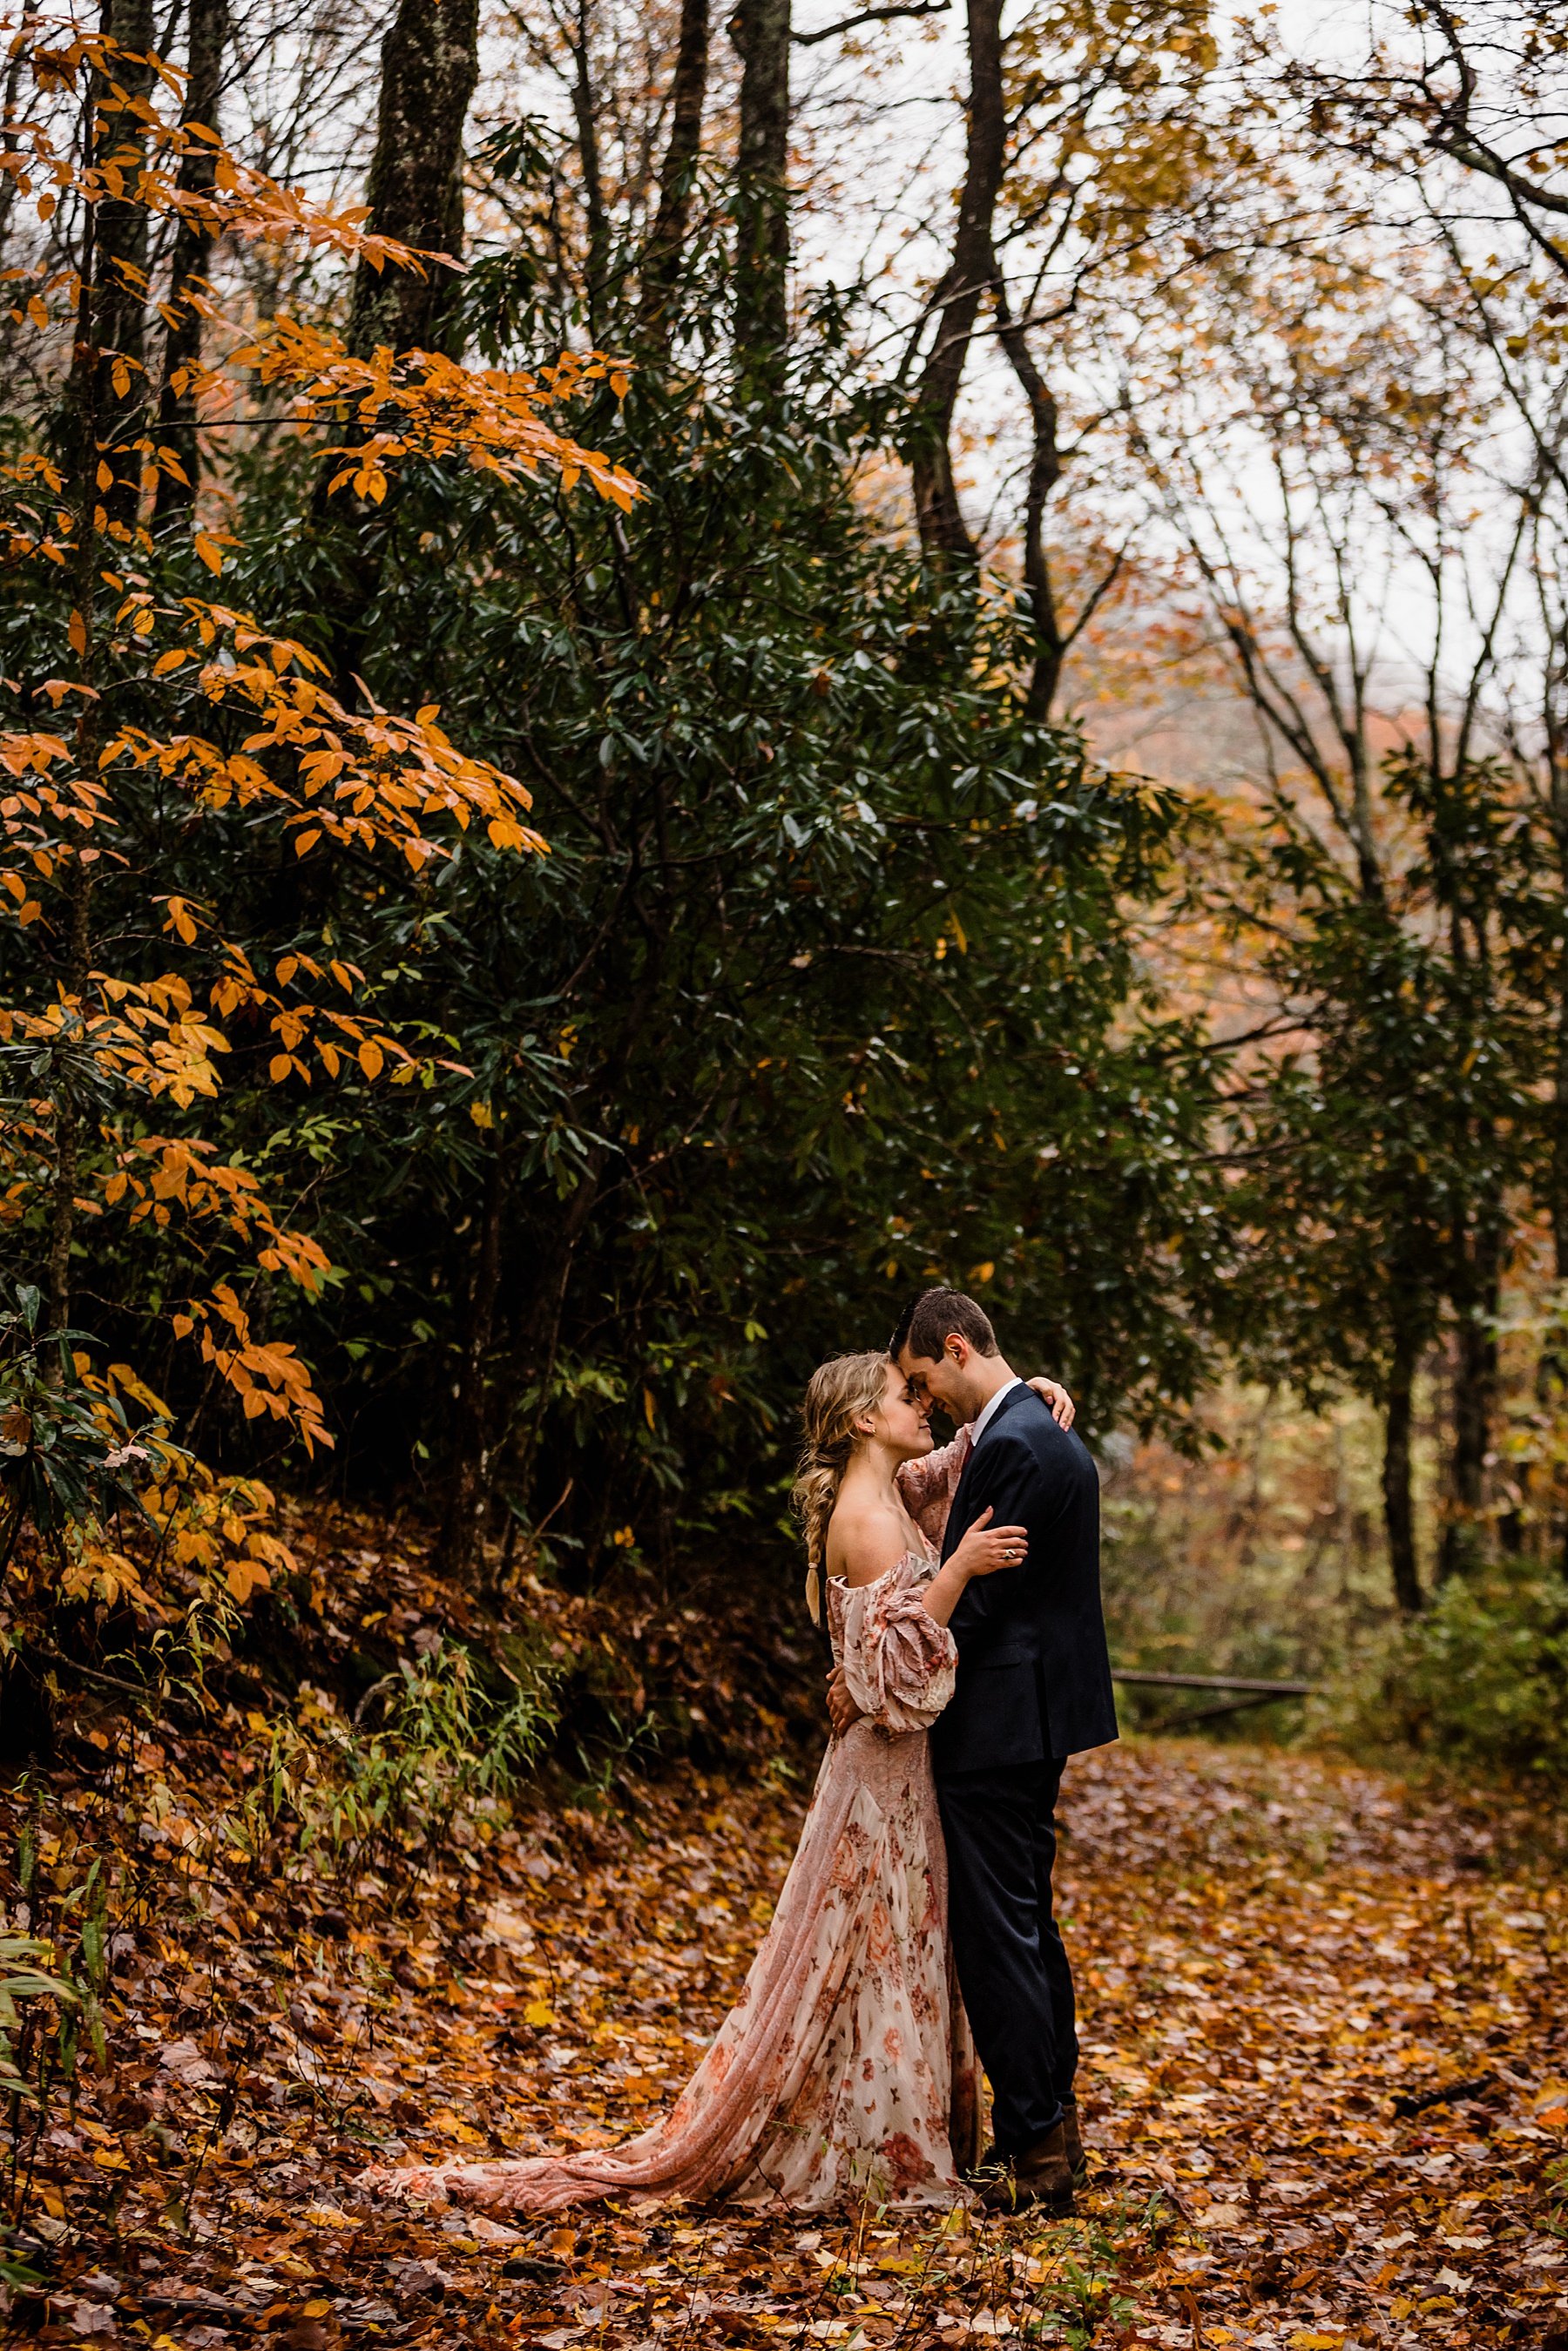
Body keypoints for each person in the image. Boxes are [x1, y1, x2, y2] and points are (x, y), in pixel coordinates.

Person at [359, 1347, 1073, 2217]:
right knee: (865, 1953)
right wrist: (957, 1571)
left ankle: (884, 2135)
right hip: (883, 1775)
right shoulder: (865, 1515)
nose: (917, 1401)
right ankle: (862, 2150)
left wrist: (1026, 1396)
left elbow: (968, 1448)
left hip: (899, 1777)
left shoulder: (893, 1487)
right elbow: (889, 1681)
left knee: (887, 1954)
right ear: (861, 1420)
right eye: (901, 1394)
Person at [835, 1287, 1117, 2215]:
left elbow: (977, 1603)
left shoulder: (1015, 1439)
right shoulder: (1031, 1429)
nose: (928, 1401)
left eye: (925, 1379)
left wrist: (894, 1648)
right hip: (1033, 1718)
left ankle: (1037, 2144)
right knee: (1026, 1922)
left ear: (956, 1349)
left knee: (999, 1935)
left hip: (997, 1726)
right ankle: (1050, 2124)